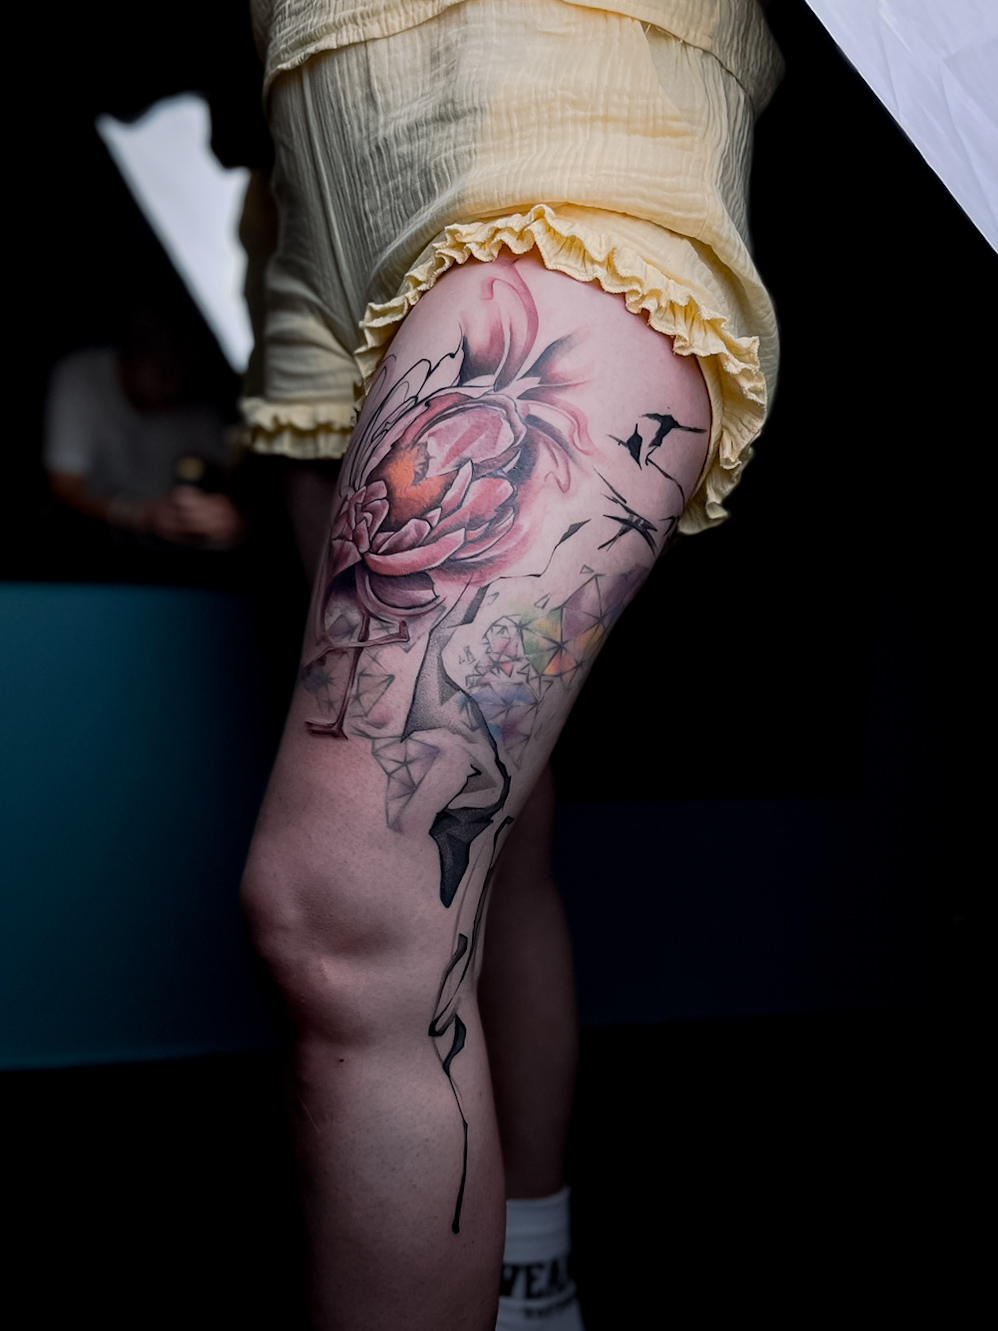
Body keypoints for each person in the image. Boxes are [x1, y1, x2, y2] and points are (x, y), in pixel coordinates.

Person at [239, 3, 782, 1327]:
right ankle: (533, 1274)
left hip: (567, 95)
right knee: (476, 826)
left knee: (345, 910)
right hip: (317, 182)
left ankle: (524, 1280)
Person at [44, 308, 244, 548]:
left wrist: (226, 519)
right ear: (132, 347)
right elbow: (65, 489)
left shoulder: (200, 405)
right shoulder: (82, 376)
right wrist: (139, 515)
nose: (176, 380)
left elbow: (240, 494)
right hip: (90, 538)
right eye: (165, 366)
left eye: (186, 364)